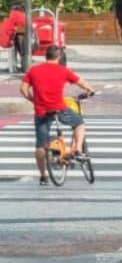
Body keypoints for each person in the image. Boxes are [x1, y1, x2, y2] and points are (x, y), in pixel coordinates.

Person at [20, 46, 94, 186]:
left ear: (45, 56)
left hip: (41, 111)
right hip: (59, 108)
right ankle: (77, 149)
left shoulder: (34, 70)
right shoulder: (63, 70)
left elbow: (23, 89)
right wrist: (90, 89)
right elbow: (80, 81)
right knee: (79, 124)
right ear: (58, 57)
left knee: (41, 146)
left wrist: (33, 100)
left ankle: (43, 177)